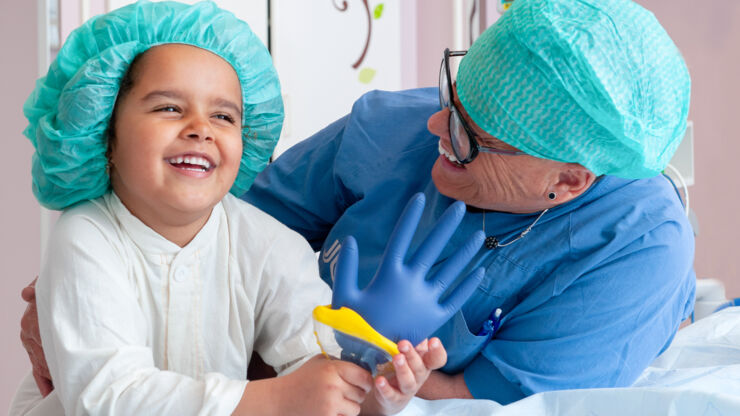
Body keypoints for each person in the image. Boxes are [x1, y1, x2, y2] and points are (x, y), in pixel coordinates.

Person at [20, 0, 695, 408]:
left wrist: (375, 368)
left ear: (569, 182)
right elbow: (205, 225)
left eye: (467, 135)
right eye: (450, 96)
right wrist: (77, 303)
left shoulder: (632, 251)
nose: (435, 127)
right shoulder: (389, 131)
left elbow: (471, 403)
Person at [13, 2, 469, 415]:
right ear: (104, 134)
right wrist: (272, 399)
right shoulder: (84, 236)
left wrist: (377, 390)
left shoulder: (268, 244)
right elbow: (107, 397)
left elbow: (316, 366)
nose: (200, 129)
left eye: (224, 116)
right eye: (169, 107)